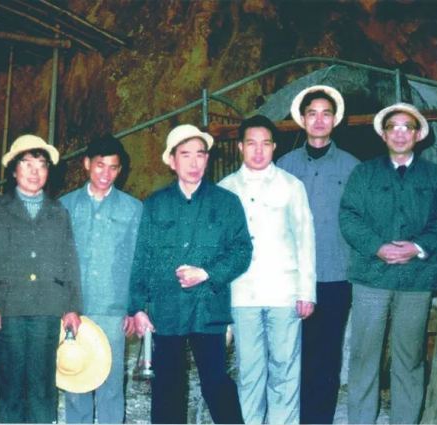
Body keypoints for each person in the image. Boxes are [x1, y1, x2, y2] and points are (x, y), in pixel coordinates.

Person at [128, 124, 252, 424]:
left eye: (200, 154)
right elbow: (143, 256)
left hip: (208, 308)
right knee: (167, 389)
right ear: (172, 161)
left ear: (207, 159)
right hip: (167, 309)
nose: (194, 162)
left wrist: (207, 273)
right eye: (185, 155)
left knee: (216, 385)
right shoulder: (156, 203)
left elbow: (242, 251)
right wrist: (137, 307)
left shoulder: (226, 202)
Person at [339, 103, 437, 424]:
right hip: (371, 277)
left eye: (407, 127)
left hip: (416, 280)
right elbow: (349, 216)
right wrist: (377, 247)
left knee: (409, 358)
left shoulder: (433, 175)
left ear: (418, 135)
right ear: (383, 135)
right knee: (363, 357)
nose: (400, 133)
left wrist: (417, 247)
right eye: (393, 127)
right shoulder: (364, 173)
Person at [0, 135, 82, 424]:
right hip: (8, 309)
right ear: (13, 170)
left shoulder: (58, 211)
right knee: (11, 385)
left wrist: (71, 307)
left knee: (43, 384)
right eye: (27, 163)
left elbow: (69, 261)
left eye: (42, 165)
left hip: (47, 308)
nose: (35, 171)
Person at [219, 115, 316, 424]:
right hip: (242, 293)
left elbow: (305, 240)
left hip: (283, 292)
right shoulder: (225, 189)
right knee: (249, 370)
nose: (258, 151)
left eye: (265, 144)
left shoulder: (292, 186)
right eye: (251, 144)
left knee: (285, 369)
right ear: (240, 147)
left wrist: (306, 292)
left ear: (274, 147)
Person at [277, 85, 359, 424]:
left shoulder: (353, 167)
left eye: (326, 113)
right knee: (292, 351)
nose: (319, 120)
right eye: (313, 113)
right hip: (292, 277)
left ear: (336, 119)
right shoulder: (284, 165)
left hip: (335, 273)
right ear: (302, 119)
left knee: (327, 354)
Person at [60, 135, 142, 423]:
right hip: (74, 309)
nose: (106, 174)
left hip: (113, 310)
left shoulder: (133, 208)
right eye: (100, 165)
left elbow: (137, 261)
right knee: (76, 383)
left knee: (110, 385)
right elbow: (58, 260)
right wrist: (64, 306)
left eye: (113, 167)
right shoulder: (65, 206)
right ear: (86, 164)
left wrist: (134, 308)